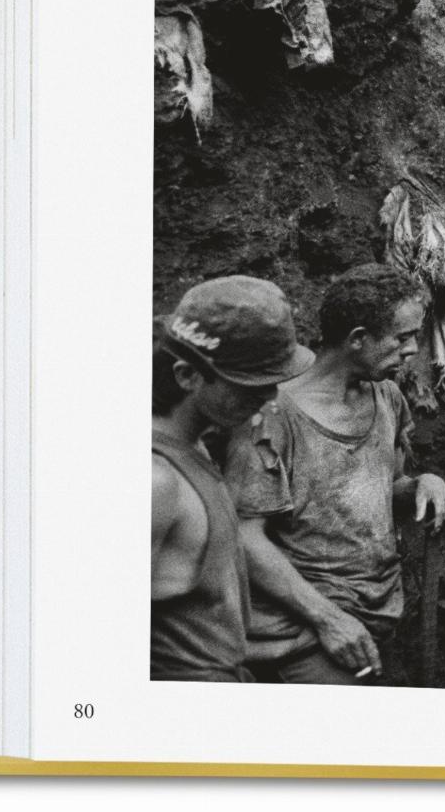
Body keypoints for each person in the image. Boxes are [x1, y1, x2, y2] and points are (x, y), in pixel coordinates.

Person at [227, 264, 445, 685]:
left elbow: (387, 489)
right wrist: (329, 619)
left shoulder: (387, 396)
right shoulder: (273, 418)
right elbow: (245, 537)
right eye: (402, 338)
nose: (412, 350)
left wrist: (422, 485)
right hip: (307, 631)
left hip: (377, 613)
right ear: (357, 339)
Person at [152, 276, 315, 681]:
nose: (271, 396)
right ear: (187, 376)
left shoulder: (196, 443)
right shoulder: (156, 483)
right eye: (249, 385)